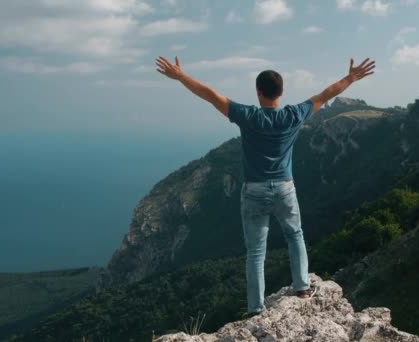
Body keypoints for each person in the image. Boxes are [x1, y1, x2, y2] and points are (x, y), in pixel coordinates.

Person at [155, 55, 375, 316]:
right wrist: (351, 77)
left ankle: (256, 308)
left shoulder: (248, 116)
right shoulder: (294, 114)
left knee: (256, 251)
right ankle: (302, 287)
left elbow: (211, 95)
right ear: (282, 92)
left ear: (257, 92)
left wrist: (181, 76)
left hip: (254, 190)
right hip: (285, 187)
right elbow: (326, 93)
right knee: (295, 236)